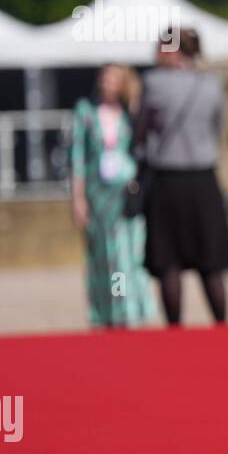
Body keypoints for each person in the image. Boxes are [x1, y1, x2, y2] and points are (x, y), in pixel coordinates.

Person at [133, 27, 228, 326]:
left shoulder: (153, 83)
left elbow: (139, 132)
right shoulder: (212, 85)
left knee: (168, 261)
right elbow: (219, 129)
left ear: (171, 50)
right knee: (210, 262)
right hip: (203, 179)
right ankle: (221, 325)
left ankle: (175, 329)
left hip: (167, 180)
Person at [70, 64, 159, 328]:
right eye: (104, 79)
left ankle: (129, 310)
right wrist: (78, 198)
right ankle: (106, 312)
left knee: (128, 254)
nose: (107, 84)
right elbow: (77, 158)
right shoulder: (85, 112)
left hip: (126, 192)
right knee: (104, 256)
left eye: (113, 79)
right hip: (99, 193)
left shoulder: (129, 112)